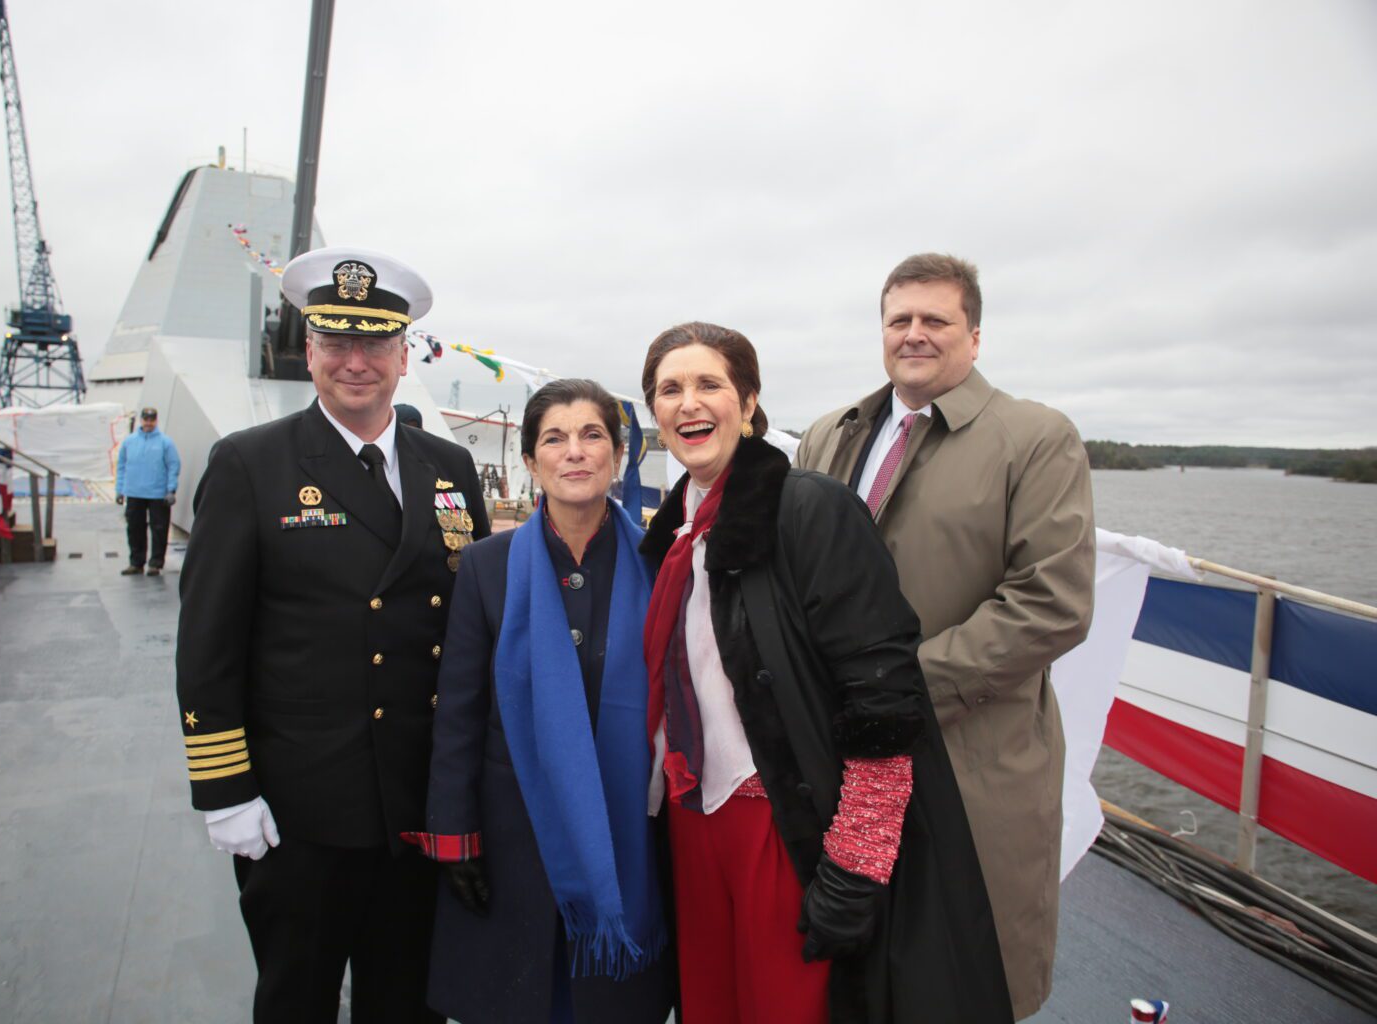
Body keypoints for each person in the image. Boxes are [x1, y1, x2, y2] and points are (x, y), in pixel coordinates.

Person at [640, 322, 1010, 1023]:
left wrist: (856, 867)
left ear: (748, 404)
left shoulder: (808, 509)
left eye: (710, 385)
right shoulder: (673, 532)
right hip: (692, 821)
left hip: (781, 826)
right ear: (655, 414)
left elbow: (884, 699)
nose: (690, 404)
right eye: (670, 389)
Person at [174, 247, 489, 1023]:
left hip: (420, 802)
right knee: (297, 999)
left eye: (375, 344)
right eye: (336, 343)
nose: (356, 362)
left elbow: (478, 628)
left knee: (410, 1002)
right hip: (298, 810)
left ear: (402, 352)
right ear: (308, 350)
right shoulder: (252, 464)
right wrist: (225, 790)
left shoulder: (450, 467)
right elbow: (208, 642)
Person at [796, 253, 1096, 1019]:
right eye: (900, 319)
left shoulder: (1036, 439)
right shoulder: (830, 437)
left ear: (975, 335)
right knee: (846, 968)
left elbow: (1050, 601)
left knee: (959, 977)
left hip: (971, 759)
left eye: (936, 320)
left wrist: (897, 691)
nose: (915, 334)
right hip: (841, 752)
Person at [410, 378, 673, 1024]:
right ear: (530, 461)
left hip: (627, 830)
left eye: (592, 436)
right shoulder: (486, 567)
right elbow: (460, 712)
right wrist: (453, 834)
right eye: (554, 438)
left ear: (617, 453)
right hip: (512, 835)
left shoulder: (659, 560)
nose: (575, 452)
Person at [114, 406, 179, 575]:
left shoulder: (165, 442)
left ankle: (155, 564)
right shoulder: (129, 442)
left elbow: (173, 466)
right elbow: (121, 466)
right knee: (134, 529)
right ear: (141, 420)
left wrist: (171, 489)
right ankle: (136, 563)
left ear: (156, 421)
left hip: (158, 494)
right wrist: (120, 490)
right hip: (134, 492)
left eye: (152, 420)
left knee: (159, 529)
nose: (148, 423)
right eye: (146, 419)